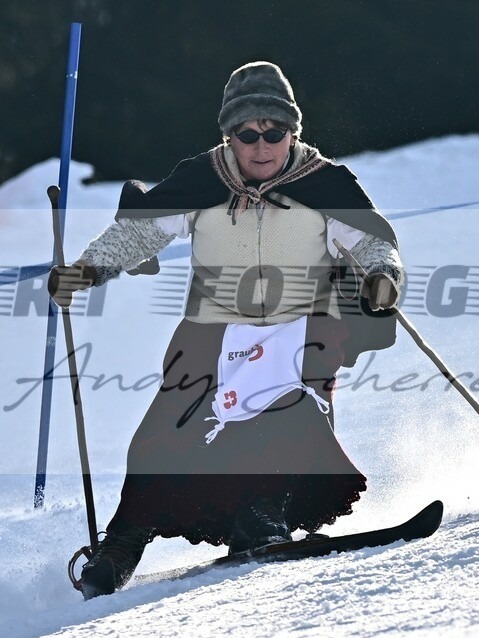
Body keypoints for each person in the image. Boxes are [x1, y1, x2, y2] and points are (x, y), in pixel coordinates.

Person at [49, 61, 405, 599]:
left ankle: (260, 519)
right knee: (162, 435)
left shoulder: (325, 183)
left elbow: (375, 241)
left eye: (274, 133)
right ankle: (121, 545)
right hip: (213, 331)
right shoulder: (202, 180)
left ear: (293, 131)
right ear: (229, 135)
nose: (261, 146)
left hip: (301, 327)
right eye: (247, 134)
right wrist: (87, 268)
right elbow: (136, 235)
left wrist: (384, 276)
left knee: (285, 410)